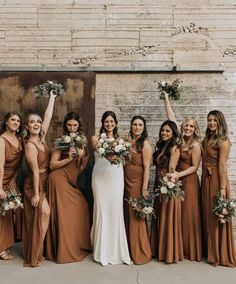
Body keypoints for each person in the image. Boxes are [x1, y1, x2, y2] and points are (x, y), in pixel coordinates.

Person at [45, 112, 91, 264]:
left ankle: (77, 243)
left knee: (83, 206)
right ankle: (63, 249)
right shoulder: (62, 141)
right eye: (69, 125)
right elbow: (52, 165)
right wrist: (68, 158)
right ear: (65, 126)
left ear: (79, 126)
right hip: (58, 178)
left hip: (71, 181)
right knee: (64, 215)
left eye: (75, 125)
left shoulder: (82, 141)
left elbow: (81, 164)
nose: (72, 128)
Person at [163, 94, 202, 261]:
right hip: (177, 180)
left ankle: (190, 250)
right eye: (186, 125)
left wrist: (178, 174)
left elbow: (195, 167)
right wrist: (166, 99)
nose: (188, 128)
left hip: (190, 181)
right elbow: (171, 117)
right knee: (179, 214)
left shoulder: (195, 145)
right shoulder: (180, 140)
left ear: (195, 129)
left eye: (191, 127)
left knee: (189, 214)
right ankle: (179, 248)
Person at [90, 111, 132, 266]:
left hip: (116, 176)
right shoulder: (95, 138)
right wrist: (109, 155)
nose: (109, 124)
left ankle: (116, 250)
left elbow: (126, 158)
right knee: (101, 209)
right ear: (102, 122)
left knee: (115, 210)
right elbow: (97, 147)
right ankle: (100, 251)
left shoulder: (122, 140)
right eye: (106, 121)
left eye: (111, 121)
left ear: (115, 123)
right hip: (100, 176)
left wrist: (123, 154)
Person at [22, 92, 56, 267]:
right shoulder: (30, 145)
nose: (36, 124)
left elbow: (48, 116)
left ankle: (38, 248)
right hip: (34, 184)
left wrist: (52, 97)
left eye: (38, 122)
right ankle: (35, 252)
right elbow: (35, 171)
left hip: (44, 180)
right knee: (44, 212)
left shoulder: (42, 138)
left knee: (42, 216)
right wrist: (36, 194)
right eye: (32, 122)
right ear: (27, 126)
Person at [201, 110, 236, 267]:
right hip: (206, 178)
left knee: (216, 215)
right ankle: (209, 249)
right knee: (208, 213)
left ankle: (219, 253)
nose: (211, 123)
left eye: (214, 120)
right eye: (209, 120)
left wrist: (222, 187)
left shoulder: (223, 141)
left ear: (220, 122)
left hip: (216, 179)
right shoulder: (208, 138)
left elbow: (222, 165)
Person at [150, 120, 183, 263]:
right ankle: (158, 250)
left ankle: (168, 253)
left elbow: (171, 171)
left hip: (167, 187)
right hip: (159, 186)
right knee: (159, 216)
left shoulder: (174, 148)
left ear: (173, 133)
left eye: (168, 131)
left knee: (166, 218)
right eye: (163, 130)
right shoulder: (161, 146)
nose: (164, 133)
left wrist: (166, 186)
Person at [124, 115, 152, 264]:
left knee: (136, 216)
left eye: (140, 125)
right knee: (127, 214)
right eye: (135, 124)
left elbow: (147, 168)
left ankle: (140, 252)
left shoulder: (145, 144)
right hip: (125, 182)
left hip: (136, 183)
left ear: (144, 127)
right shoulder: (128, 141)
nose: (137, 127)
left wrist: (144, 188)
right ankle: (127, 249)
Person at [0, 112, 23, 260]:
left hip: (12, 179)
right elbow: (0, 166)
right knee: (3, 215)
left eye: (18, 120)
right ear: (6, 122)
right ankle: (2, 249)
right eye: (12, 119)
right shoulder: (2, 140)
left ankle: (5, 245)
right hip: (1, 179)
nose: (16, 122)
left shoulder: (20, 139)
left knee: (9, 213)